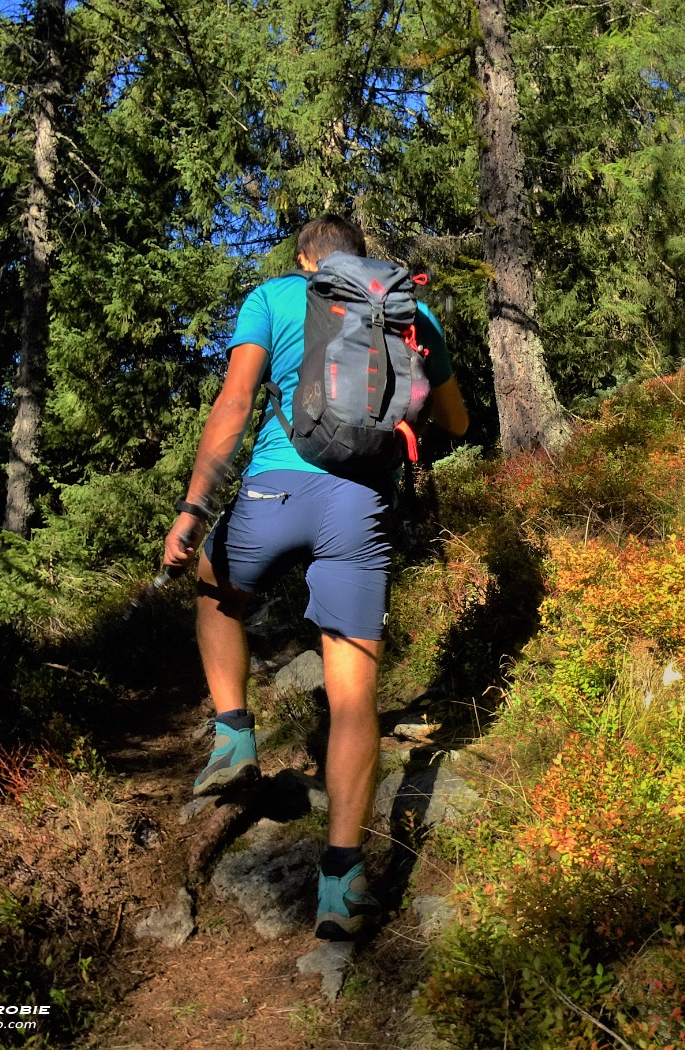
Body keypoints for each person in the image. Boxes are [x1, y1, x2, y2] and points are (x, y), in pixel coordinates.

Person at [162, 215, 469, 940]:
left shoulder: (273, 297)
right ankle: (341, 881)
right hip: (361, 508)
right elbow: (454, 422)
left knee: (215, 590)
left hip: (275, 492)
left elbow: (236, 403)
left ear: (306, 260)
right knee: (354, 695)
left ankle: (235, 736)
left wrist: (193, 508)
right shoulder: (410, 309)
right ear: (361, 260)